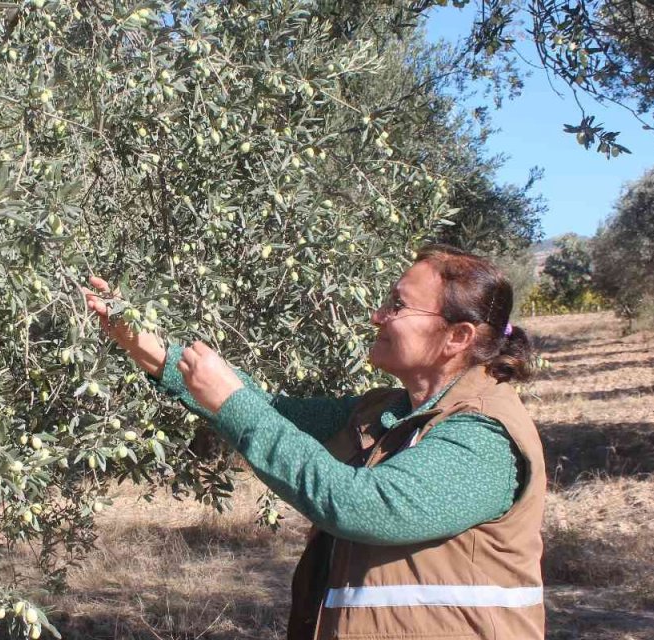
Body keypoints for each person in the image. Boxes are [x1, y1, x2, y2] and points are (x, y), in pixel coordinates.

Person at [82, 244, 546, 640]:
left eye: (398, 307)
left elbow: (363, 506)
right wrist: (149, 347)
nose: (377, 315)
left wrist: (234, 403)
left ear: (458, 336)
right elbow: (271, 410)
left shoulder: (483, 435)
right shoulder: (388, 411)